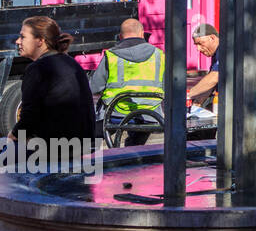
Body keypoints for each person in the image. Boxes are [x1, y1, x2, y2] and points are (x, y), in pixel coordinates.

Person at [8, 16, 94, 148]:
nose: (18, 41)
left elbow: (29, 117)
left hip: (54, 149)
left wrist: (14, 134)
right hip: (82, 145)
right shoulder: (72, 63)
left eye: (23, 37)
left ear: (40, 40)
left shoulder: (37, 69)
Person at [88, 18, 165, 146]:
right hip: (149, 115)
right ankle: (132, 156)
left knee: (89, 135)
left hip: (115, 113)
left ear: (120, 36)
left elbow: (94, 87)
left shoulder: (111, 56)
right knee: (138, 137)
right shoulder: (159, 55)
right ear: (142, 34)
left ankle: (89, 162)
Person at [186, 23, 221, 110]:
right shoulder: (215, 54)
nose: (198, 48)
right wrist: (197, 103)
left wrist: (188, 95)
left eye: (200, 43)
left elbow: (214, 77)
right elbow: (210, 85)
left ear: (212, 38)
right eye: (196, 45)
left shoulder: (223, 49)